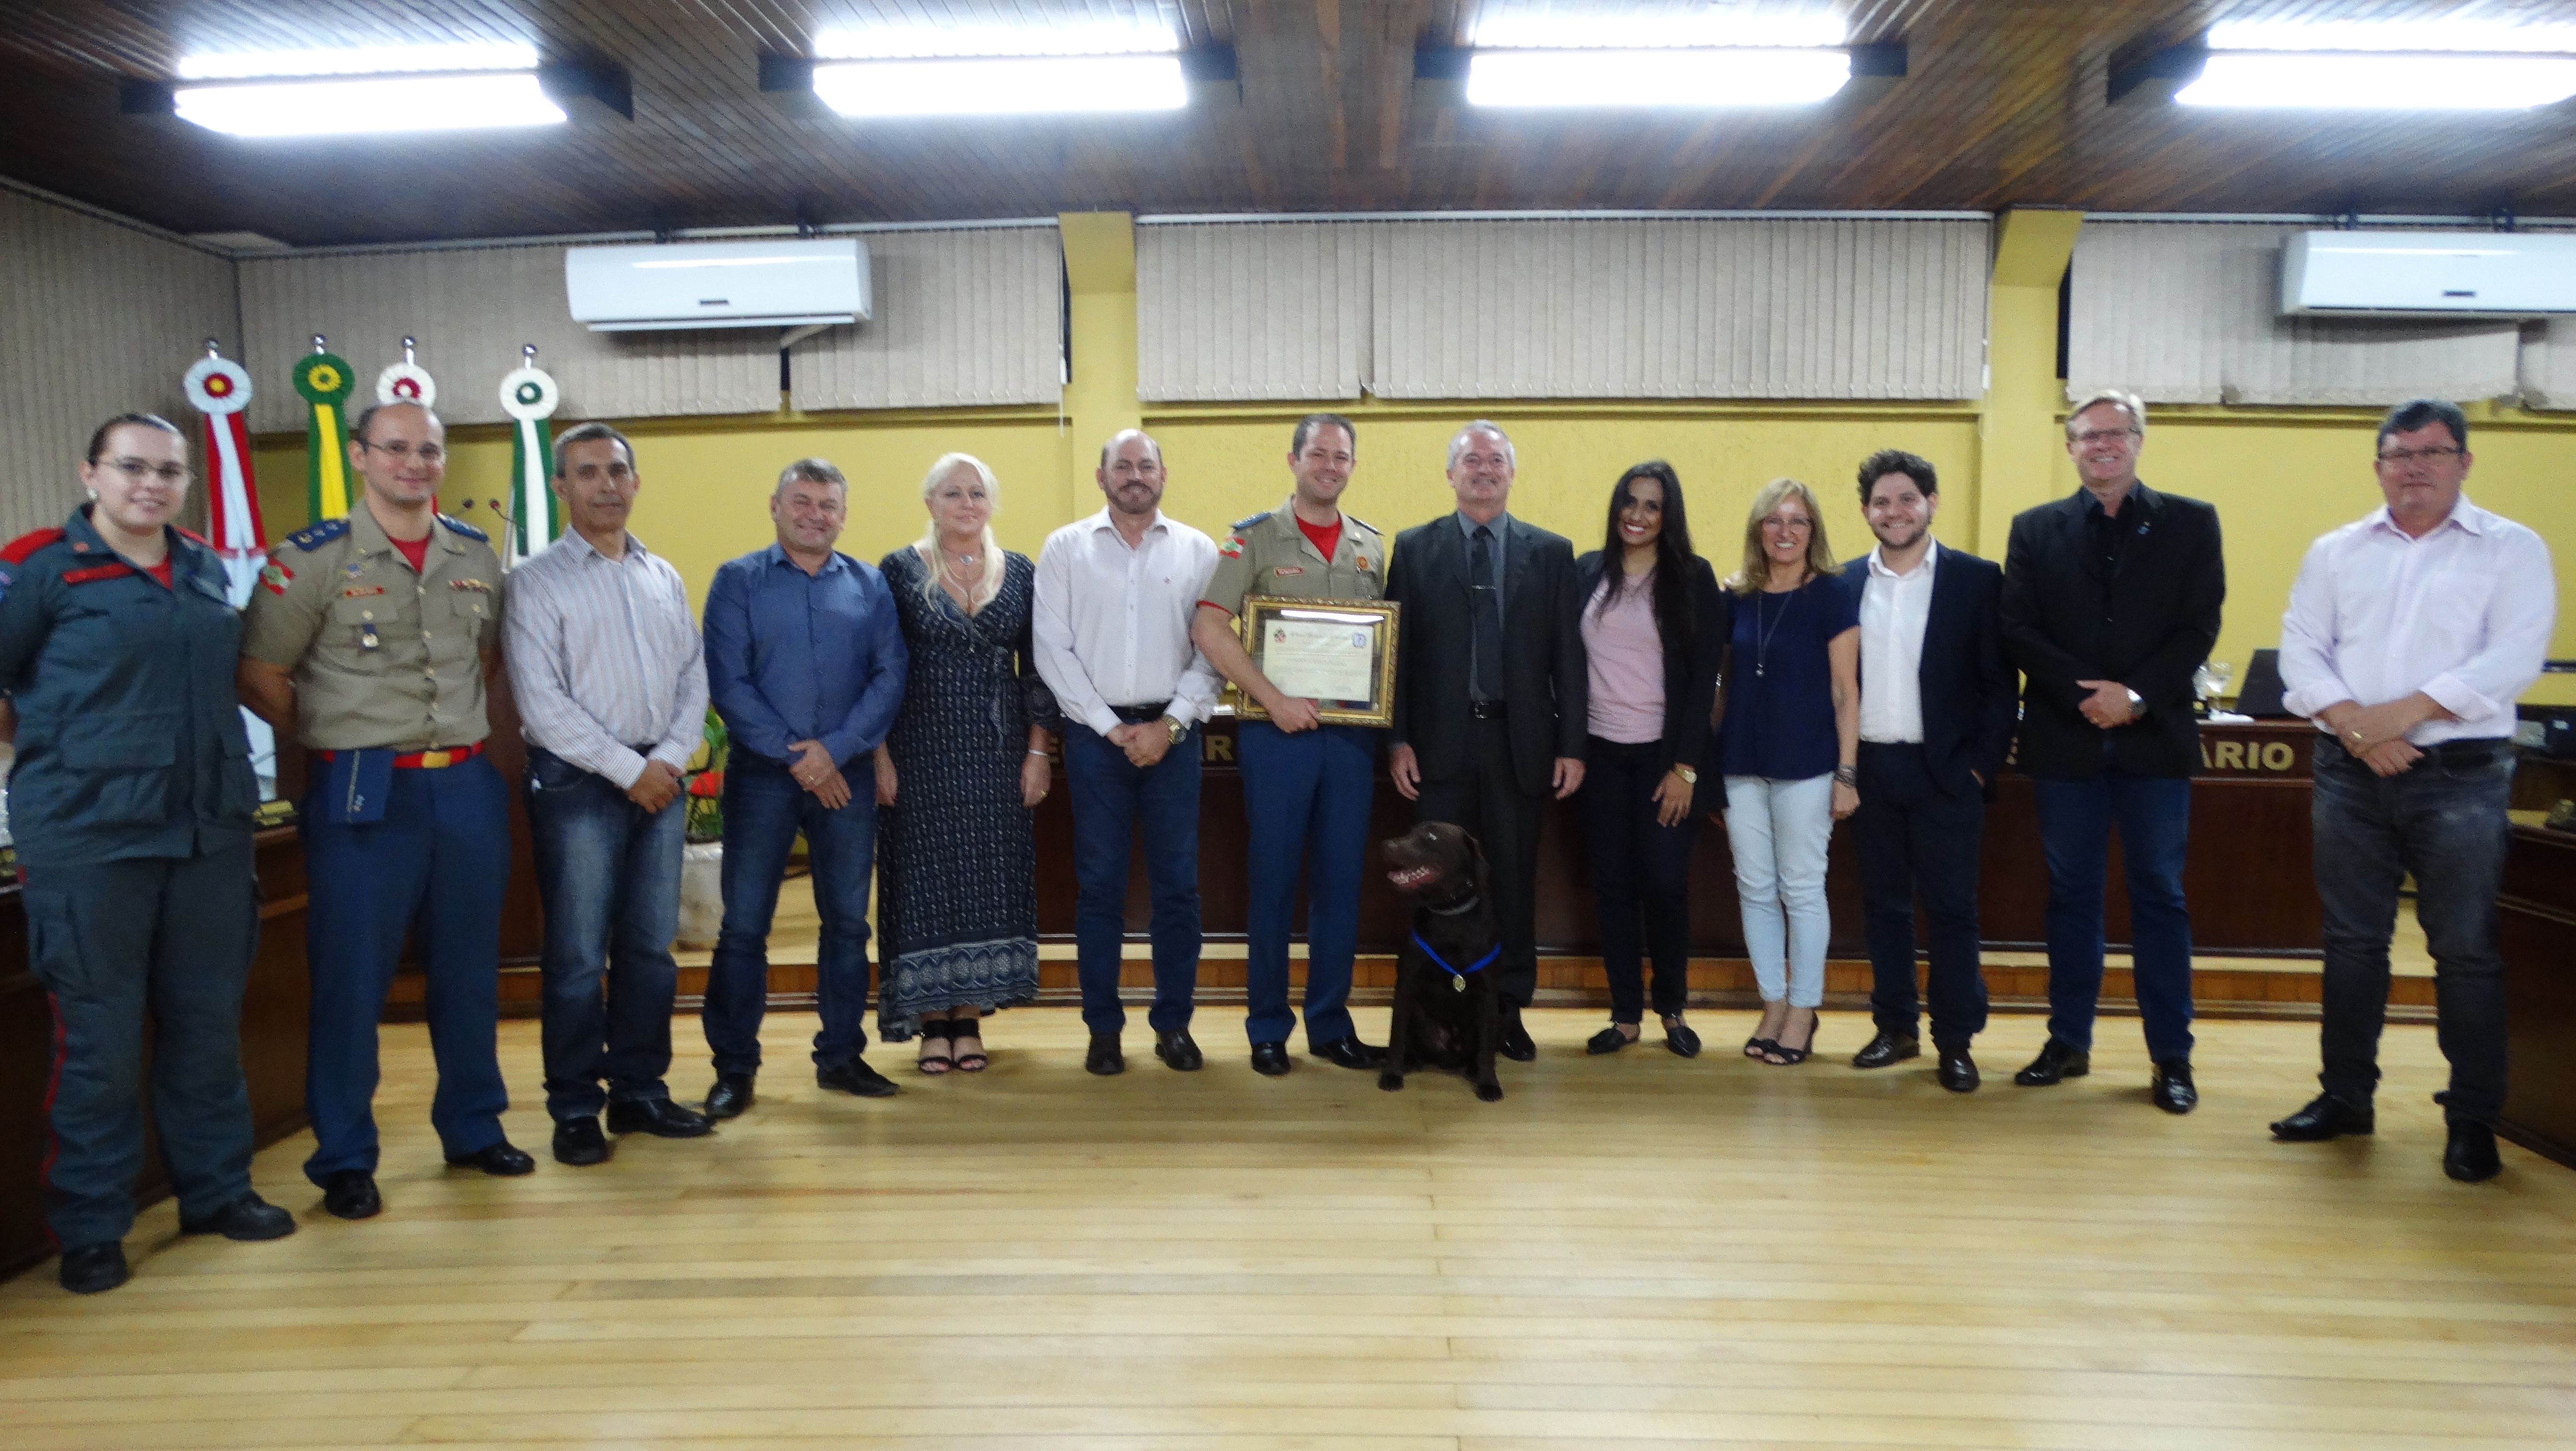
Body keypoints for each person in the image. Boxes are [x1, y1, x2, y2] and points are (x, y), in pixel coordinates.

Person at [1, 413, 291, 1294]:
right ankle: (92, 1224)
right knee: (99, 1042)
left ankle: (215, 1190)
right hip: (91, 840)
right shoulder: (40, 569)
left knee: (206, 1026)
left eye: (169, 471)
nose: (151, 485)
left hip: (205, 829)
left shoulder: (203, 565)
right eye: (132, 467)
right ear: (91, 472)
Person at [239, 400, 527, 1220]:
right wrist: (336, 732)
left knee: (470, 970)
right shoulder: (311, 559)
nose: (414, 463)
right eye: (395, 448)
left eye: (428, 450)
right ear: (361, 457)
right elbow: (259, 673)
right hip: (364, 785)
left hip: (465, 784)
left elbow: (484, 659)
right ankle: (343, 1157)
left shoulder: (471, 552)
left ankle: (472, 1126)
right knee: (352, 978)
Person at [2269, 398, 2555, 1182]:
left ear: (2465, 461)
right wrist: (2357, 729)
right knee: (2353, 945)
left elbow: (2515, 655)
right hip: (2348, 772)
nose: (2415, 466)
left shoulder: (2511, 550)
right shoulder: (2337, 551)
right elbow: (2302, 649)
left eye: (2433, 452)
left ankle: (2471, 1120)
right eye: (2399, 454)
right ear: (2379, 466)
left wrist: (2400, 717)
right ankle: (2346, 1098)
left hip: (2460, 774)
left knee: (2463, 952)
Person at [1999, 388, 2225, 1114]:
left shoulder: (2192, 523)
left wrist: (2135, 696)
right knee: (2070, 897)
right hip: (2067, 743)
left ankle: (2172, 1058)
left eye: (2116, 433)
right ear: (2069, 447)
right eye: (2087, 435)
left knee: (2160, 895)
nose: (2102, 444)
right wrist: (2082, 694)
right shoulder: (2034, 529)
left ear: (2139, 439)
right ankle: (2068, 1041)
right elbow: (2019, 628)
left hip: (2153, 742)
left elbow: (2199, 626)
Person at [503, 422, 713, 1165]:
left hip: (659, 783)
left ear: (635, 481)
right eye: (587, 472)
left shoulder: (662, 575)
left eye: (617, 470)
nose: (605, 485)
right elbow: (541, 704)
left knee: (650, 952)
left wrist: (668, 758)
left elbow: (694, 675)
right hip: (580, 787)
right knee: (575, 956)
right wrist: (632, 770)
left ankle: (639, 1092)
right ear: (561, 488)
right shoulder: (533, 583)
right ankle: (573, 1106)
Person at [700, 458, 907, 1112]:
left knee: (847, 925)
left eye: (828, 505)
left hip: (844, 777)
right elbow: (728, 683)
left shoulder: (870, 585)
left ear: (843, 516)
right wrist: (800, 759)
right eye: (803, 501)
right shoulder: (736, 581)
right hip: (763, 778)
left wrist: (836, 752)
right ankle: (734, 1069)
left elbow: (889, 676)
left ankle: (841, 1057)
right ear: (775, 506)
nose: (815, 514)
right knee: (744, 927)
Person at [1191, 413, 1389, 1076]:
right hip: (1275, 736)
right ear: (1294, 460)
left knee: (1340, 885)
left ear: (1352, 467)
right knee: (1273, 882)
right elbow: (1210, 628)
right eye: (1319, 454)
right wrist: (1271, 698)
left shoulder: (1370, 547)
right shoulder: (1251, 540)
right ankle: (1268, 1028)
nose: (1330, 465)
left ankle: (1330, 1024)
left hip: (1350, 743)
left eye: (1342, 456)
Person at [1386, 420, 1588, 1060]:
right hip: (1440, 751)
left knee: (1513, 883)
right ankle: (1433, 1009)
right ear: (1451, 475)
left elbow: (1569, 658)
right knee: (1436, 886)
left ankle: (1507, 1010)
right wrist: (1398, 741)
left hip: (1519, 746)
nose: (1483, 469)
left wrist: (1573, 745)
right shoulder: (1415, 549)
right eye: (1471, 460)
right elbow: (1397, 657)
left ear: (1510, 473)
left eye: (1495, 460)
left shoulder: (1552, 553)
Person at [1033, 429, 1220, 1076]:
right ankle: (1103, 1030)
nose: (1135, 475)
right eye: (1123, 466)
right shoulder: (1065, 549)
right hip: (1094, 741)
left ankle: (1174, 1025)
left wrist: (1168, 724)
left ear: (1164, 473)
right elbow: (1051, 650)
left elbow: (1212, 649)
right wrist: (1112, 728)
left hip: (1174, 738)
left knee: (1178, 890)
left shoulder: (1199, 549)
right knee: (1100, 891)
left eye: (1146, 465)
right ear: (1101, 475)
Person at [875, 453, 1057, 1072]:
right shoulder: (898, 572)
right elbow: (875, 670)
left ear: (990, 503)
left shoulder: (1024, 572)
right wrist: (878, 755)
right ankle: (932, 1021)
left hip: (998, 753)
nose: (966, 503)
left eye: (976, 493)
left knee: (986, 879)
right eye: (951, 493)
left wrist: (1038, 752)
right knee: (926, 882)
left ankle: (970, 1017)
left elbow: (1037, 672)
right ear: (930, 503)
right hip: (917, 750)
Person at [1843, 451, 2015, 1092]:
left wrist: (1976, 769)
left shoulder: (1976, 579)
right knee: (1884, 907)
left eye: (1907, 499)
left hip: (1946, 773)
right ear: (1866, 512)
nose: (1895, 512)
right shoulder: (1840, 583)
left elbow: (2001, 687)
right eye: (1882, 502)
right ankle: (1895, 1026)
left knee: (1951, 910)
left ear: (1932, 503)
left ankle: (1956, 1040)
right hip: (1870, 769)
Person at [1569, 461, 1724, 1058]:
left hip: (1666, 760)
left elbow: (1706, 677)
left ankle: (1673, 1008)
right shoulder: (1587, 571)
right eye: (1629, 502)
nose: (1637, 514)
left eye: (1652, 505)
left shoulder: (1691, 577)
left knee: (1663, 884)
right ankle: (1625, 1013)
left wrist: (1686, 767)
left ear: (1669, 515)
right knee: (1612, 886)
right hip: (1600, 757)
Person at [1712, 478, 1860, 1067]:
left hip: (1808, 764)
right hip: (1741, 764)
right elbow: (1722, 684)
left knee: (1801, 887)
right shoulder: (1738, 595)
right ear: (1758, 529)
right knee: (1754, 888)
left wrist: (1847, 774)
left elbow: (1846, 690)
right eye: (1774, 520)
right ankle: (1772, 1002)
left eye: (1798, 521)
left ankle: (1804, 1008)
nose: (1786, 531)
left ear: (1813, 530)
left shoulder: (1833, 592)